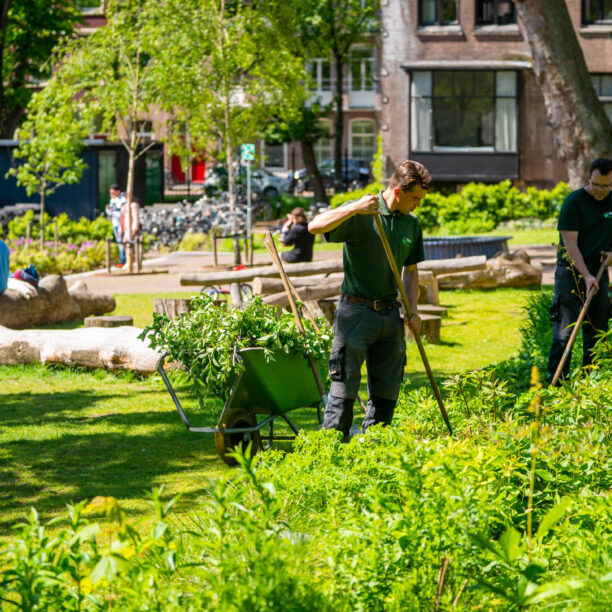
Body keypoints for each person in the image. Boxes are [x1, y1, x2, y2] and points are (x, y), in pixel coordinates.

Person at [308, 160, 430, 439]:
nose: (418, 205)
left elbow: (411, 271)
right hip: (356, 313)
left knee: (387, 392)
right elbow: (314, 227)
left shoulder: (411, 225)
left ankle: (375, 452)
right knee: (344, 389)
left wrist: (413, 311)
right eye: (416, 199)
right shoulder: (364, 211)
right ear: (398, 192)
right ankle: (331, 452)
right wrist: (353, 207)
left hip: (390, 318)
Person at [548, 157, 612, 383]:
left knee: (597, 333)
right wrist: (585, 275)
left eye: (606, 186)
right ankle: (556, 385)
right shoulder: (574, 202)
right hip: (571, 274)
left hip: (600, 272)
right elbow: (570, 244)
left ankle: (589, 385)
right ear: (588, 178)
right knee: (564, 333)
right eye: (596, 184)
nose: (601, 190)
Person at [106, 184, 126, 267]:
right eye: (111, 193)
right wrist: (108, 209)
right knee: (119, 242)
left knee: (123, 241)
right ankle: (122, 260)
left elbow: (122, 212)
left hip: (122, 224)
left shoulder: (123, 199)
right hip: (115, 223)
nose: (112, 195)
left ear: (118, 191)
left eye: (113, 193)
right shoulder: (112, 200)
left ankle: (124, 260)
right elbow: (111, 212)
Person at [119, 197, 141, 269]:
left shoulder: (133, 205)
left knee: (131, 245)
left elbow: (135, 218)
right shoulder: (124, 205)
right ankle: (128, 262)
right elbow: (122, 218)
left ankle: (131, 262)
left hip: (131, 228)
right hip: (126, 228)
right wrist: (121, 228)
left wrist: (135, 229)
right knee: (125, 243)